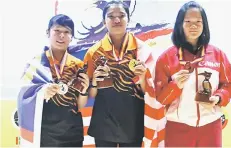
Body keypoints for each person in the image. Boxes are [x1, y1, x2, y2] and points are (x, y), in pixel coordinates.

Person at [154, 1, 231, 147]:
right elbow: (161, 98)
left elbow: (229, 84)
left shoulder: (217, 55)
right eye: (188, 21)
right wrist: (175, 86)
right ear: (180, 24)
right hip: (178, 128)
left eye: (199, 21)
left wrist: (218, 98)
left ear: (204, 24)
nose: (194, 25)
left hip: (211, 127)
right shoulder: (166, 59)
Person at [83, 0, 165, 147]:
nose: (116, 20)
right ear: (104, 21)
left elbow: (152, 92)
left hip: (134, 121)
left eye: (121, 15)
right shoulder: (93, 53)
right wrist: (94, 82)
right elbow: (90, 95)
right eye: (111, 16)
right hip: (104, 123)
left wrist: (142, 79)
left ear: (129, 19)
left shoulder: (143, 50)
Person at [17, 14, 89, 147]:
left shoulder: (78, 65)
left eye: (66, 32)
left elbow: (79, 106)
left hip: (72, 133)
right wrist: (41, 93)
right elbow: (23, 95)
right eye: (57, 31)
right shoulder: (35, 63)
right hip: (44, 132)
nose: (61, 36)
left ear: (71, 37)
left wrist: (84, 91)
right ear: (48, 33)